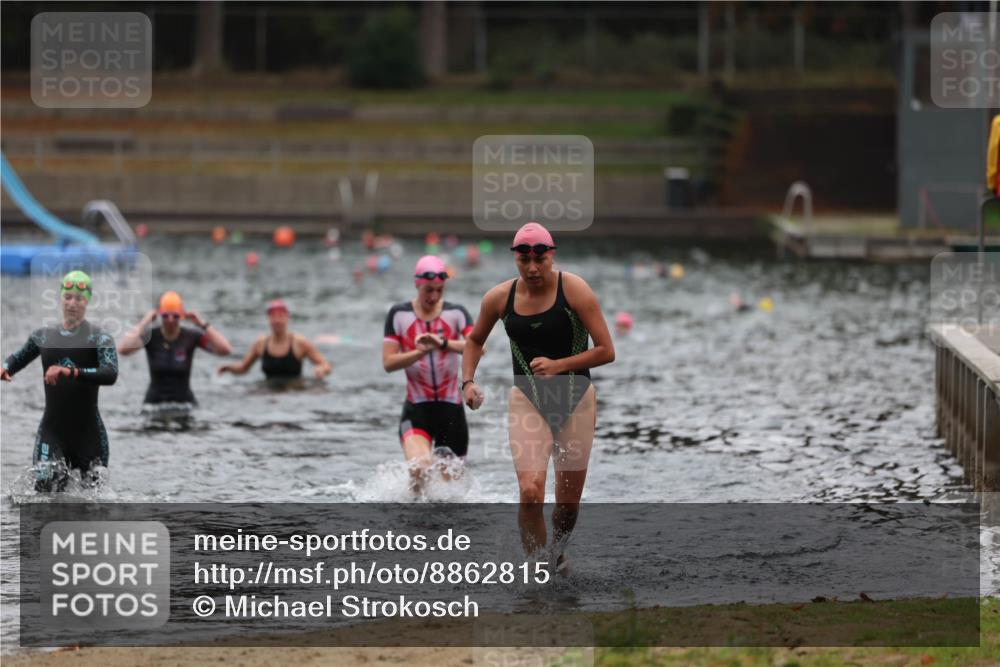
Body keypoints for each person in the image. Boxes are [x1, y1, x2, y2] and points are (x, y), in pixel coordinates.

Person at [461, 222, 615, 566]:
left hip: (576, 399)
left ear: (551, 256)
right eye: (524, 260)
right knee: (530, 492)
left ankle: (556, 555)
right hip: (527, 399)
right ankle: (538, 571)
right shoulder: (499, 298)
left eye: (539, 259)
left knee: (567, 505)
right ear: (515, 258)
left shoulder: (574, 289)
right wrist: (468, 382)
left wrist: (560, 365)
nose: (532, 268)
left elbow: (607, 350)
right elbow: (474, 340)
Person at [1, 271, 118, 492]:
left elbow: (110, 373)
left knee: (94, 500)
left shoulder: (100, 338)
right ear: (61, 298)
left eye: (78, 298)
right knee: (43, 490)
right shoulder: (43, 336)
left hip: (89, 435)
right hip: (53, 431)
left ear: (87, 301)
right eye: (68, 297)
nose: (72, 303)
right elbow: (18, 358)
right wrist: (6, 367)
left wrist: (70, 372)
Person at [383, 255, 473, 494]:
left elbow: (477, 347)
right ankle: (410, 514)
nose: (433, 296)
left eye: (439, 290)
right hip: (416, 410)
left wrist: (442, 342)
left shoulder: (457, 313)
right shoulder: (399, 314)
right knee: (419, 468)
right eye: (428, 290)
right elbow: (388, 363)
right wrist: (419, 352)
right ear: (417, 284)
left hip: (452, 413)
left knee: (448, 491)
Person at [117, 291, 232, 412]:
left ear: (181, 315)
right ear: (160, 315)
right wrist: (145, 321)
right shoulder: (150, 336)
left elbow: (225, 350)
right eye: (166, 315)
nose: (170, 320)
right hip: (153, 406)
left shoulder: (191, 337)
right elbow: (123, 349)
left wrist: (203, 324)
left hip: (185, 405)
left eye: (175, 316)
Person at [217, 299, 332, 382]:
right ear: (269, 319)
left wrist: (321, 369)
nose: (277, 321)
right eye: (273, 317)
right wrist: (228, 368)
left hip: (294, 391)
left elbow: (326, 365)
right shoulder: (261, 344)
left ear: (287, 318)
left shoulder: (300, 343)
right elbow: (243, 368)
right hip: (268, 391)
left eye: (280, 316)